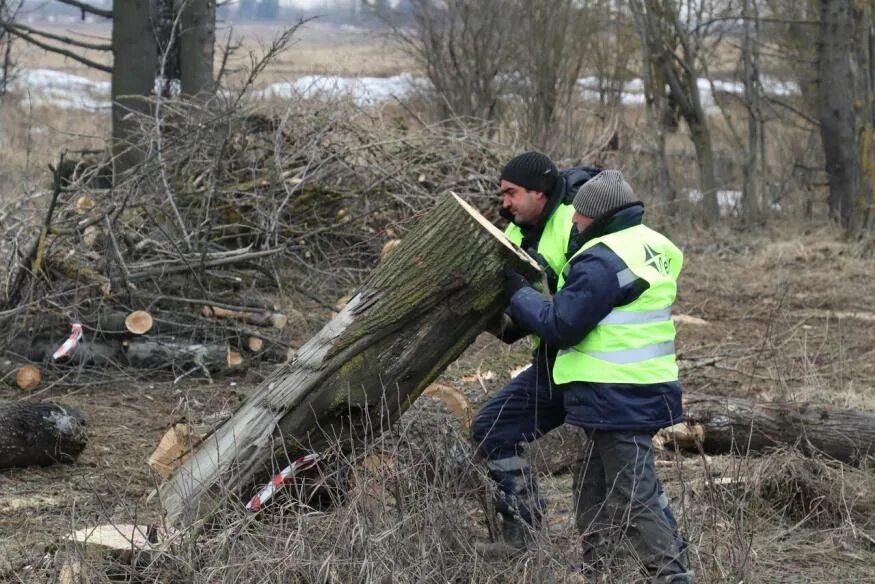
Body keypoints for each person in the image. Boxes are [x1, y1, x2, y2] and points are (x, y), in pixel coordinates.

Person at [472, 170, 692, 583]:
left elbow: (561, 324)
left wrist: (516, 292)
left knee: (636, 496)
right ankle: (599, 572)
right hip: (633, 388)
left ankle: (673, 576)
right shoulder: (652, 245)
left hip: (617, 393)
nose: (573, 221)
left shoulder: (602, 259)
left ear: (601, 216)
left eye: (581, 216)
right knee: (595, 494)